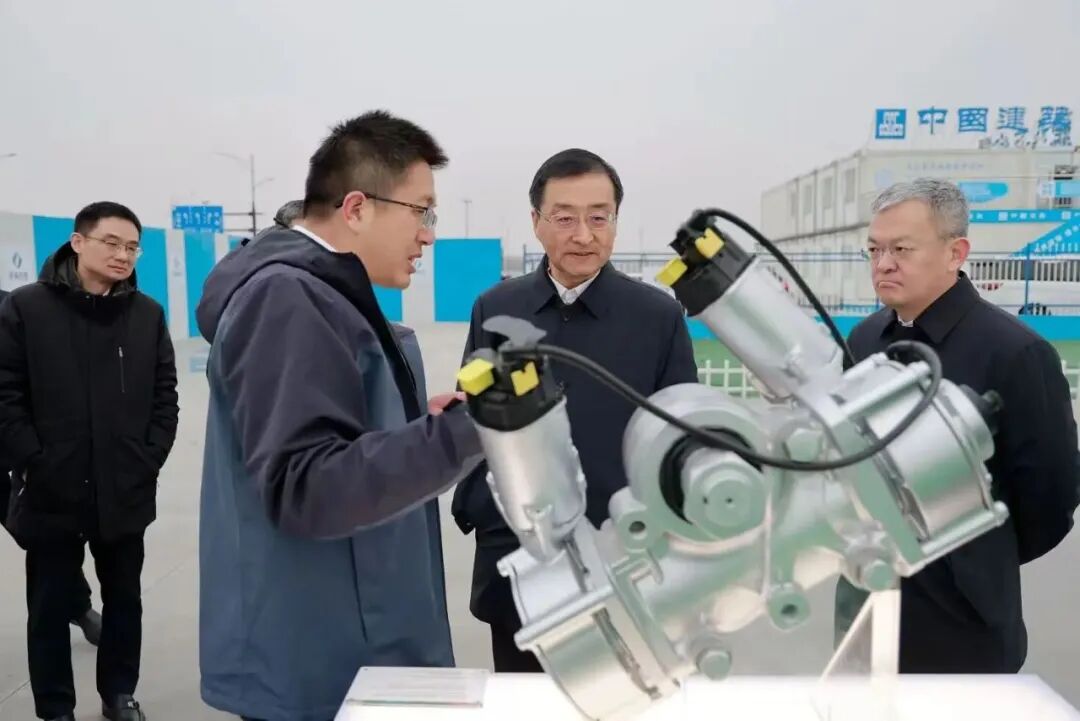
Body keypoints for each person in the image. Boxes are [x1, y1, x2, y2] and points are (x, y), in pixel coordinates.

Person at [196, 110, 484, 721]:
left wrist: (422, 429)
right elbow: (306, 486)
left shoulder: (324, 294)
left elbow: (339, 439)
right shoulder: (286, 298)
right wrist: (465, 433)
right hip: (321, 668)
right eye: (421, 211)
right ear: (356, 208)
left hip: (348, 647)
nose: (428, 235)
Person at [451, 148, 699, 672]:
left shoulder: (657, 317)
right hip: (518, 560)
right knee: (521, 699)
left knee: (624, 695)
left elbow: (681, 442)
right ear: (536, 222)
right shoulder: (496, 308)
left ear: (615, 222)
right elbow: (474, 422)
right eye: (564, 218)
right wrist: (482, 512)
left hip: (624, 562)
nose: (583, 235)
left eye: (599, 218)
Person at [835, 178, 1080, 673]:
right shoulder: (864, 341)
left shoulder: (1014, 353)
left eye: (901, 249)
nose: (883, 264)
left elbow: (1051, 498)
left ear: (956, 253)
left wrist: (978, 555)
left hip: (965, 620)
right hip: (867, 601)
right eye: (875, 249)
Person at [0, 202, 180, 721]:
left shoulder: (146, 314)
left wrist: (148, 458)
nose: (123, 255)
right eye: (111, 243)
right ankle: (55, 707)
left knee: (124, 600)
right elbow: (5, 393)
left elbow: (164, 395)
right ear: (78, 242)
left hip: (124, 487)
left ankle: (119, 694)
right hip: (50, 488)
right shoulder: (26, 308)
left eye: (132, 247)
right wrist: (32, 460)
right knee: (49, 606)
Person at [0, 288, 102, 647]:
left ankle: (77, 605)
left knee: (42, 535)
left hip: (10, 448)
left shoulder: (11, 307)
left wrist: (30, 452)